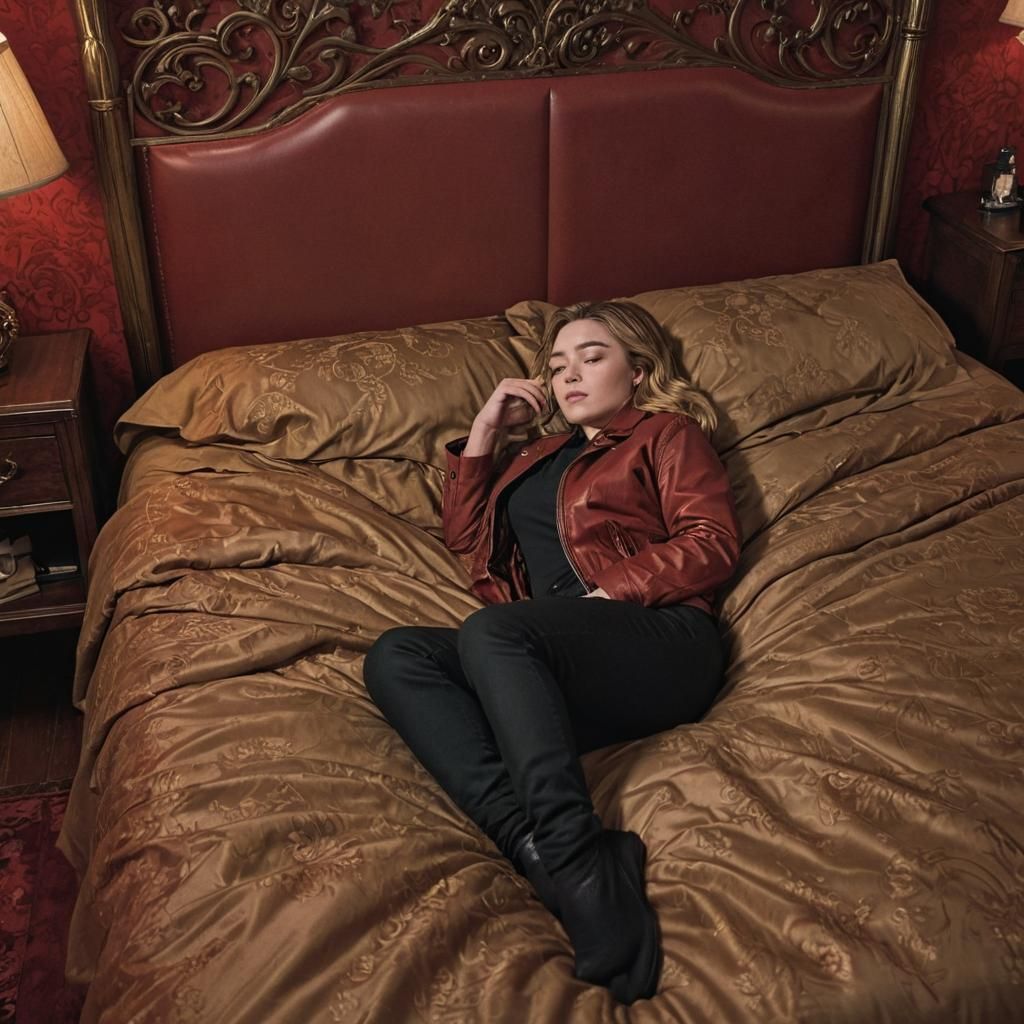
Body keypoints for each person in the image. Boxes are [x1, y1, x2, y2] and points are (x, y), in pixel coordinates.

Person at [363, 299, 741, 1005]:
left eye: (591, 358)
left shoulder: (665, 434)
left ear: (639, 370)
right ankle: (535, 850)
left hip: (659, 639)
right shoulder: (534, 458)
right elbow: (468, 541)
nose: (570, 375)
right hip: (549, 659)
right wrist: (486, 430)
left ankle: (576, 853)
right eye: (558, 365)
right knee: (397, 655)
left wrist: (606, 595)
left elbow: (710, 541)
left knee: (492, 631)